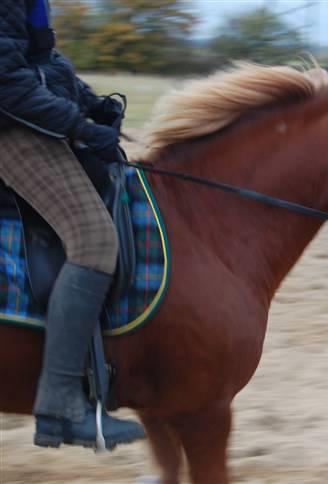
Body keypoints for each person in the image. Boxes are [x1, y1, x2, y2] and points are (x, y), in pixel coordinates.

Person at [0, 0, 145, 449]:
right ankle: (60, 402)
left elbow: (40, 59)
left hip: (26, 118)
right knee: (94, 239)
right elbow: (6, 82)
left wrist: (90, 104)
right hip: (9, 128)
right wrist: (79, 128)